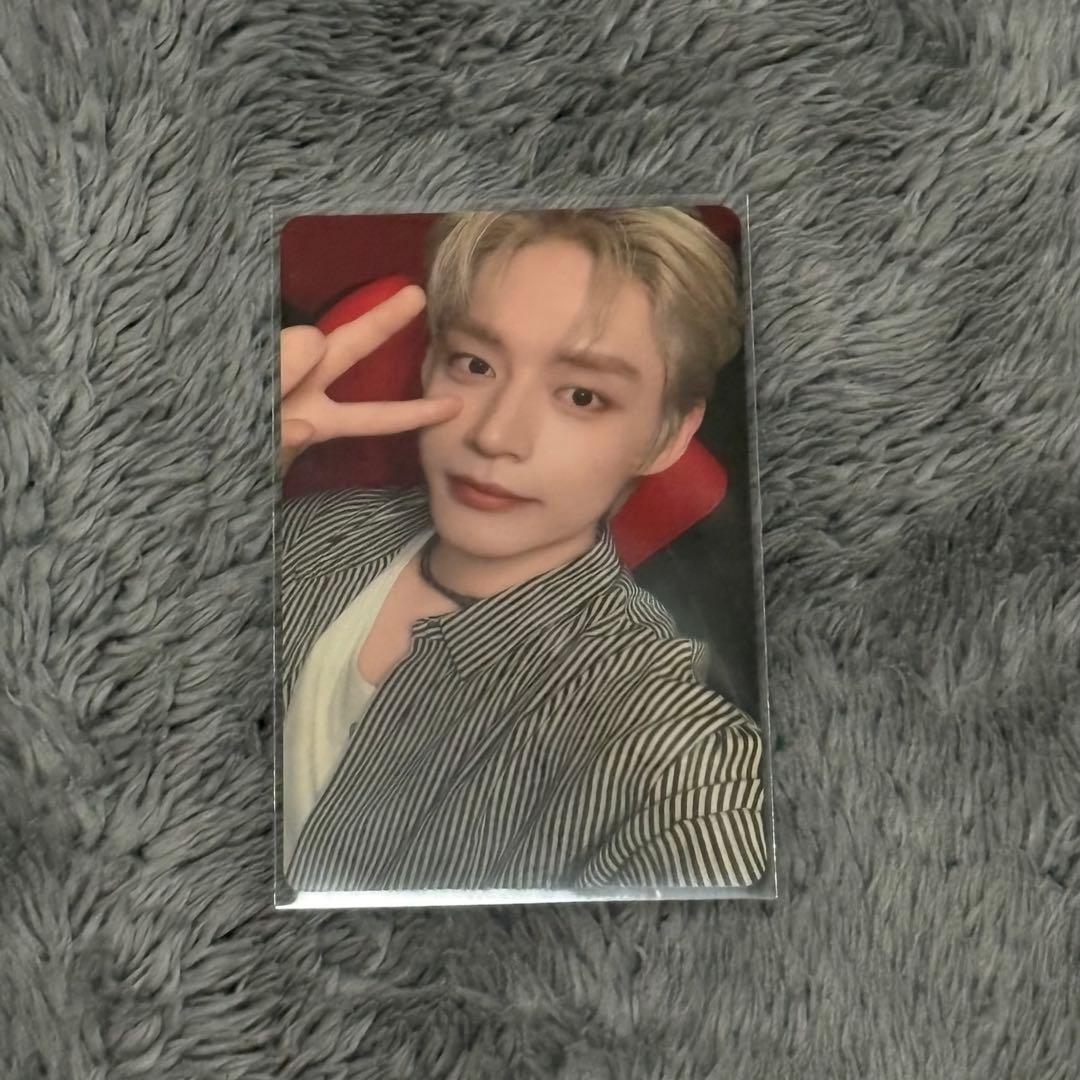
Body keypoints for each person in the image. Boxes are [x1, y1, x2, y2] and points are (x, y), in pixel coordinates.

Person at [278, 208, 766, 894]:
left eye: (582, 395)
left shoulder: (676, 764)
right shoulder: (311, 529)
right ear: (430, 364)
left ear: (666, 438)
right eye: (475, 364)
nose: (497, 435)